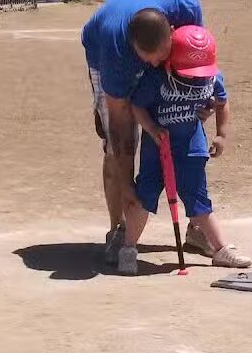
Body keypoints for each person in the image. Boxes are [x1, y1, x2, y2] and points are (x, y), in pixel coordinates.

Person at [81, 0, 214, 265]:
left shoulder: (186, 8)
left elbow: (198, 59)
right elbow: (121, 128)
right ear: (135, 50)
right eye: (148, 58)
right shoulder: (116, 52)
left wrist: (202, 101)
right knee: (115, 146)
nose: (156, 63)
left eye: (162, 54)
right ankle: (119, 228)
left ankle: (197, 228)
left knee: (183, 124)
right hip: (102, 50)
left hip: (147, 38)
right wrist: (129, 186)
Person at [116, 25, 252, 275]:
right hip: (156, 150)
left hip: (192, 147)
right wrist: (152, 128)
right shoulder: (156, 78)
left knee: (199, 200)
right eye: (188, 72)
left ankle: (221, 249)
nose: (193, 77)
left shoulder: (211, 77)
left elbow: (222, 103)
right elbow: (138, 106)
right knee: (143, 198)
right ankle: (128, 248)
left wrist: (222, 134)